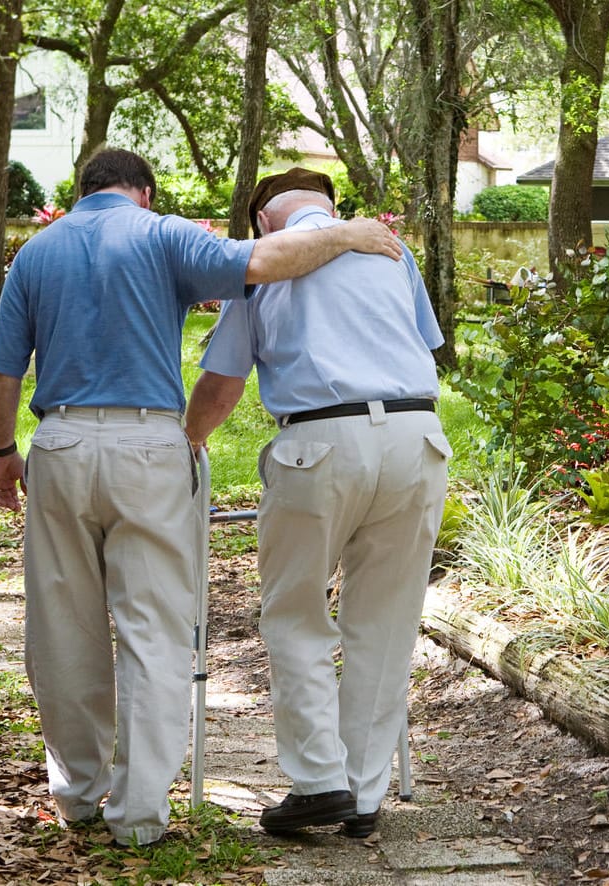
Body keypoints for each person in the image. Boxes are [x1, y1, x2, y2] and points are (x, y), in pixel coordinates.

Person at [0, 149, 403, 848]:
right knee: (153, 629)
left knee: (61, 627)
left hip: (56, 444)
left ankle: (77, 795)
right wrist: (348, 234)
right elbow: (262, 262)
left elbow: (2, 368)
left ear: (81, 191)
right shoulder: (162, 232)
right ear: (142, 191)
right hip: (147, 444)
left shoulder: (36, 252)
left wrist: (3, 453)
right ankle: (141, 815)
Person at [184, 168, 450, 839]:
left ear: (263, 222)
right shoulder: (391, 249)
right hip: (418, 435)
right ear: (330, 207)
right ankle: (363, 795)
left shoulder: (264, 264)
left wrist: (184, 445)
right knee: (385, 623)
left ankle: (318, 782)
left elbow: (222, 386)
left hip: (320, 441)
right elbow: (425, 345)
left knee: (296, 613)